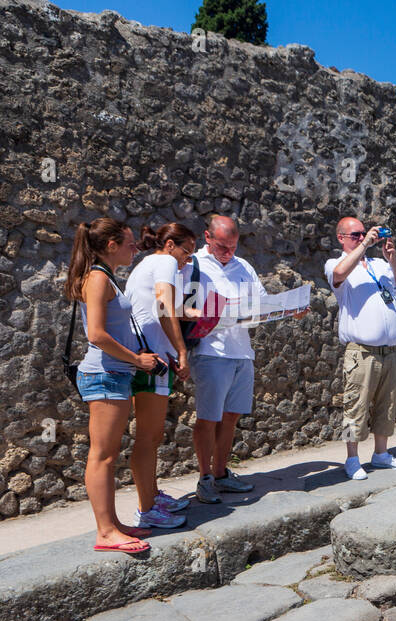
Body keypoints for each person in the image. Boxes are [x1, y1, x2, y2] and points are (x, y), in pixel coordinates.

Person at [64, 218, 162, 554]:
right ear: (111, 246)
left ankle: (113, 524)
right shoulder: (97, 278)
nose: (135, 249)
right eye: (130, 244)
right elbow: (97, 335)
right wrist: (137, 360)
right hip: (104, 375)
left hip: (114, 375)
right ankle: (105, 532)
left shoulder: (105, 277)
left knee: (108, 454)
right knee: (102, 456)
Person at [326, 217, 396, 480]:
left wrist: (392, 261)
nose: (362, 237)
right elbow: (339, 275)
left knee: (387, 405)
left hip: (389, 350)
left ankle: (381, 454)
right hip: (360, 351)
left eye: (364, 233)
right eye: (355, 235)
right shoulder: (335, 263)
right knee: (354, 405)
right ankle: (352, 458)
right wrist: (363, 245)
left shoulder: (378, 264)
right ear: (341, 237)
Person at [123, 222, 197, 528]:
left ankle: (151, 494)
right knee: (148, 437)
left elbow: (167, 308)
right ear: (169, 245)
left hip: (149, 355)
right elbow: (165, 306)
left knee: (150, 436)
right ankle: (147, 508)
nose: (187, 260)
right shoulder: (165, 262)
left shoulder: (148, 264)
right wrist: (182, 352)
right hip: (152, 359)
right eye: (186, 251)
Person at [188, 216, 261, 503]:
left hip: (242, 350)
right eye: (222, 246)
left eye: (232, 246)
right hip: (211, 351)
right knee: (208, 417)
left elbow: (261, 301)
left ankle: (221, 473)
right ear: (207, 236)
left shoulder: (244, 267)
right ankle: (204, 477)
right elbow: (184, 305)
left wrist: (284, 310)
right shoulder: (193, 265)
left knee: (231, 416)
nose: (228, 252)